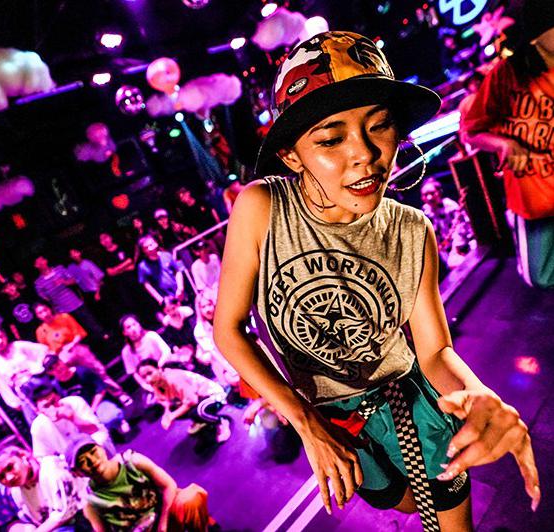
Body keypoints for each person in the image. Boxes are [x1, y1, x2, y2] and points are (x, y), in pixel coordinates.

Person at [213, 31, 539, 531]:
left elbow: (434, 350)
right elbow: (228, 328)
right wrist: (307, 423)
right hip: (333, 418)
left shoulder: (413, 231)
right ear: (292, 156)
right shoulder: (262, 208)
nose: (364, 153)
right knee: (399, 502)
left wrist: (478, 393)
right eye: (330, 139)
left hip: (413, 404)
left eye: (379, 125)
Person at [461, 0, 554, 288]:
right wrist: (504, 145)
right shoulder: (507, 75)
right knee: (539, 277)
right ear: (537, 37)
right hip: (534, 199)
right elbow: (471, 132)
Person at [67, 436, 213, 532]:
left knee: (190, 497)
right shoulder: (91, 504)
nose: (92, 461)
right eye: (82, 461)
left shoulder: (131, 461)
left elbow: (169, 485)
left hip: (164, 516)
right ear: (77, 472)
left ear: (102, 449)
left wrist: (163, 524)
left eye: (93, 452)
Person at [34, 301, 129, 403]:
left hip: (76, 348)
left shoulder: (64, 317)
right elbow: (47, 351)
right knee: (79, 379)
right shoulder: (40, 331)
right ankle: (98, 401)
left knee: (99, 372)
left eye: (45, 310)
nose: (44, 314)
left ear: (49, 309)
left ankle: (119, 394)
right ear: (37, 316)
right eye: (40, 313)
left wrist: (72, 344)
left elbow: (79, 333)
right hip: (62, 359)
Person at [0, 445, 87, 531]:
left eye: (10, 467)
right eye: (1, 477)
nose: (9, 477)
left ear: (22, 455)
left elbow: (65, 513)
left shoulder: (51, 468)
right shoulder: (16, 492)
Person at [137, 359, 230, 442]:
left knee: (198, 412)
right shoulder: (156, 384)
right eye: (144, 377)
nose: (148, 379)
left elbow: (192, 401)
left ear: (159, 368)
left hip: (213, 395)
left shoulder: (173, 378)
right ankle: (200, 420)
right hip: (198, 399)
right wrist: (167, 415)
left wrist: (171, 417)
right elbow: (166, 403)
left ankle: (221, 422)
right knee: (175, 409)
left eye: (150, 373)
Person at [43, 355, 130, 436]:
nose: (57, 369)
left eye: (57, 364)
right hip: (79, 414)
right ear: (49, 373)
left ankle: (118, 422)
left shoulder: (82, 371)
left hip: (98, 405)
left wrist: (92, 409)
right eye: (51, 369)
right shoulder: (55, 386)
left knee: (110, 417)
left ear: (61, 361)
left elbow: (101, 390)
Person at [28, 380, 116, 459]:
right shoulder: (37, 427)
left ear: (58, 397)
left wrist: (72, 417)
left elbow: (94, 429)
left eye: (53, 401)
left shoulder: (75, 402)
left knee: (100, 439)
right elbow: (43, 456)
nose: (52, 408)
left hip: (92, 444)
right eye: (46, 406)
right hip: (68, 459)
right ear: (38, 411)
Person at [33, 256, 104, 338]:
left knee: (92, 326)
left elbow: (74, 280)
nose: (42, 262)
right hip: (62, 311)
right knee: (74, 333)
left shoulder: (59, 269)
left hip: (75, 303)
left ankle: (105, 339)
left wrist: (64, 282)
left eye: (43, 260)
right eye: (39, 262)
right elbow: (44, 297)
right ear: (36, 266)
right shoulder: (38, 282)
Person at [120, 315, 188, 393]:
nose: (133, 328)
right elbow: (134, 373)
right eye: (128, 327)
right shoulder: (126, 352)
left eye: (134, 324)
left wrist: (159, 367)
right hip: (151, 381)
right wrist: (147, 387)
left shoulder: (151, 335)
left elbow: (166, 351)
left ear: (139, 325)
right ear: (124, 332)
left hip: (167, 368)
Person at [420, 178, 476, 270]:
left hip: (464, 244)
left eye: (432, 193)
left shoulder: (450, 206)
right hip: (446, 252)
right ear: (422, 198)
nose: (429, 198)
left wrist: (456, 248)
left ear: (439, 192)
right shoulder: (425, 213)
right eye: (425, 195)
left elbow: (462, 228)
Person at [194, 291, 239, 388]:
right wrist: (232, 371)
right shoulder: (199, 330)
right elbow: (214, 353)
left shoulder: (225, 318)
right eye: (203, 307)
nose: (207, 309)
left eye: (209, 305)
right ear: (199, 310)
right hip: (224, 367)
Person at [137, 235, 186, 306]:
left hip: (179, 293)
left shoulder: (166, 255)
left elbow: (178, 271)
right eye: (146, 247)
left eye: (151, 244)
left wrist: (180, 288)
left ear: (156, 243)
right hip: (165, 300)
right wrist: (160, 299)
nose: (150, 248)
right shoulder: (143, 266)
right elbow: (146, 284)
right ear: (143, 251)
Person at [157, 296, 196, 365]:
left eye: (173, 308)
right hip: (184, 349)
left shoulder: (188, 313)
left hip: (196, 342)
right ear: (164, 311)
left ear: (178, 304)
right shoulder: (167, 323)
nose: (172, 312)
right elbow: (170, 341)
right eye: (168, 311)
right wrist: (175, 348)